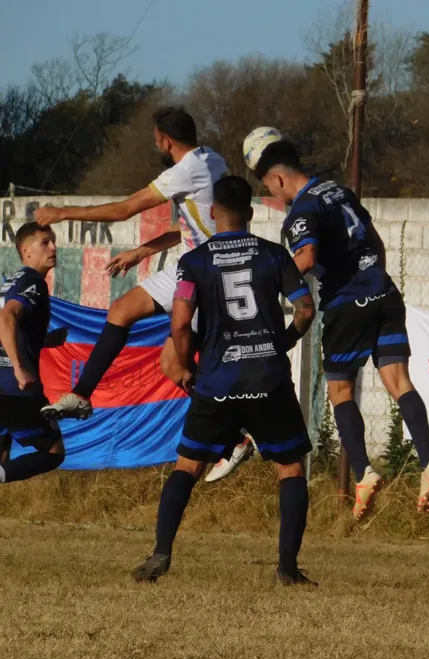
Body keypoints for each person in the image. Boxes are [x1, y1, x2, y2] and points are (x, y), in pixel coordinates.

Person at [34, 107, 254, 482]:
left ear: (165, 141)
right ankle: (82, 394)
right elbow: (187, 226)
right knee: (125, 314)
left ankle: (236, 435)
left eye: (156, 139)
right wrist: (142, 252)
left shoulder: (183, 170)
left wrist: (62, 211)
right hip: (191, 263)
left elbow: (124, 210)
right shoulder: (212, 158)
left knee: (176, 363)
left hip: (205, 273)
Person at [131, 176, 317, 585]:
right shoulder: (274, 255)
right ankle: (287, 568)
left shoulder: (194, 262)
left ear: (213, 212)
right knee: (289, 469)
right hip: (268, 379)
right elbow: (305, 309)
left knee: (188, 466)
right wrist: (277, 343)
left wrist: (185, 366)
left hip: (216, 380)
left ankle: (161, 553)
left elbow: (180, 325)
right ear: (250, 213)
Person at [253, 139, 429, 521]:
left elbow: (305, 256)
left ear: (276, 177)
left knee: (340, 390)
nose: (273, 195)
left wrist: (271, 284)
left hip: (346, 303)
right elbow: (376, 242)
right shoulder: (340, 191)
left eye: (270, 188)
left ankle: (365, 472)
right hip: (384, 291)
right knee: (399, 381)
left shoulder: (302, 210)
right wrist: (373, 280)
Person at [0, 223, 65, 483]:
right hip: (15, 387)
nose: (53, 248)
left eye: (53, 242)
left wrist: (43, 340)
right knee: (54, 453)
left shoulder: (10, 282)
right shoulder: (34, 282)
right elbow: (6, 319)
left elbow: (9, 327)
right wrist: (19, 366)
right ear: (26, 250)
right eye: (45, 243)